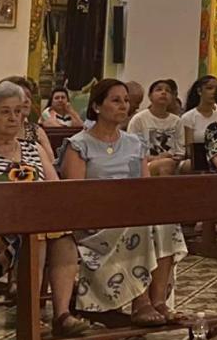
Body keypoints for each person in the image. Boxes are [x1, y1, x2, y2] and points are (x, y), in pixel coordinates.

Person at [0, 81, 87, 336]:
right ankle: (30, 314)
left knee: (63, 238)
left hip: (34, 224)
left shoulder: (33, 149)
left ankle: (62, 314)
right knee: (36, 234)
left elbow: (55, 189)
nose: (14, 118)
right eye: (5, 112)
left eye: (17, 111)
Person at [60, 79, 188, 324]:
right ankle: (141, 302)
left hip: (130, 212)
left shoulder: (134, 143)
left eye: (126, 101)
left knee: (165, 223)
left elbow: (145, 187)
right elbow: (75, 195)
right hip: (95, 221)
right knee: (138, 225)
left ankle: (159, 301)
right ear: (97, 106)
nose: (123, 106)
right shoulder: (79, 145)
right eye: (116, 100)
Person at [127, 79, 188, 175]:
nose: (163, 92)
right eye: (159, 90)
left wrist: (175, 157)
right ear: (150, 96)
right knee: (165, 165)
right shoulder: (139, 119)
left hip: (173, 161)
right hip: (146, 163)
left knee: (191, 165)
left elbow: (180, 150)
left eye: (168, 91)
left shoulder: (177, 121)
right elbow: (133, 152)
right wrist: (157, 158)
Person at [179, 75, 217, 147]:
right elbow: (189, 148)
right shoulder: (188, 117)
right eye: (209, 88)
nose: (214, 92)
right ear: (199, 91)